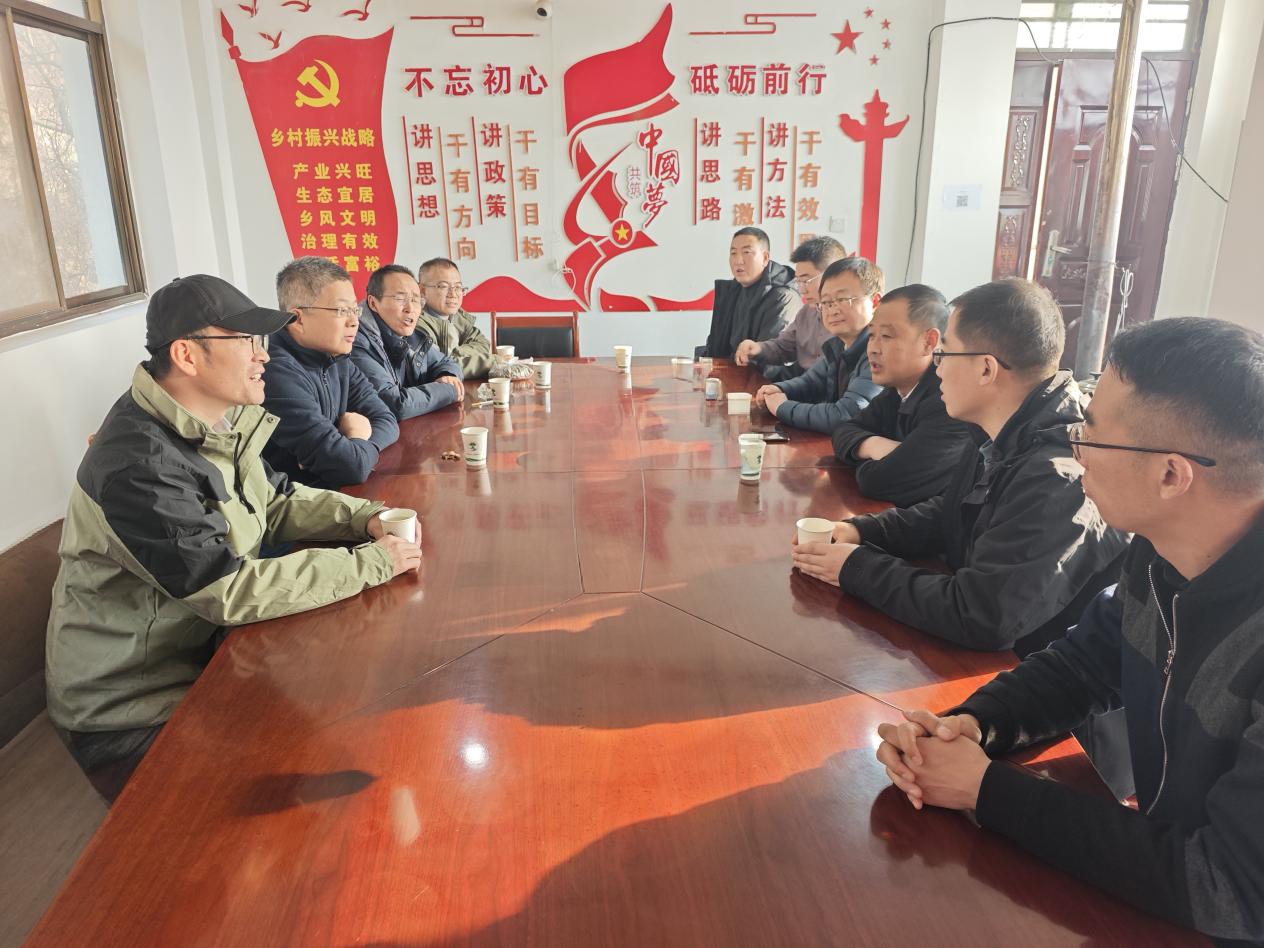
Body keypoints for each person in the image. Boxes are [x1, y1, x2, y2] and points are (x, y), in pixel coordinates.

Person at [874, 317, 1264, 943]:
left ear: (1171, 475)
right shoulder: (1162, 552)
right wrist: (973, 724)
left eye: (1090, 431)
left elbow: (1229, 887)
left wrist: (985, 790)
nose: (1073, 444)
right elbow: (1084, 665)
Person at [44, 274, 422, 803]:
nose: (262, 355)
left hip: (208, 655)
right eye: (245, 341)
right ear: (187, 355)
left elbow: (276, 500)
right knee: (315, 779)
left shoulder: (219, 421)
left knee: (358, 717)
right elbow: (227, 589)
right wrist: (373, 562)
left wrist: (367, 518)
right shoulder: (139, 462)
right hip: (131, 708)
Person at [791, 278, 1128, 656]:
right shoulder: (997, 430)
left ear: (986, 369)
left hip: (1020, 672)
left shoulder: (1060, 477)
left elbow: (981, 614)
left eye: (944, 354)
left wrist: (857, 568)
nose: (936, 370)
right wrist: (861, 530)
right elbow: (952, 512)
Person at [831, 283, 975, 506]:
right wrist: (874, 445)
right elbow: (843, 431)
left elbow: (878, 482)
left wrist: (864, 459)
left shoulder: (949, 403)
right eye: (871, 335)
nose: (873, 348)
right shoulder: (897, 390)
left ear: (929, 342)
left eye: (886, 336)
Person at [263, 257, 399, 489]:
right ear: (298, 319)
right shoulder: (273, 370)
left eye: (354, 310)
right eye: (342, 310)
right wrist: (357, 436)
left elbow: (387, 420)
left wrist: (355, 447)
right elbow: (350, 467)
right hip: (293, 503)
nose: (354, 321)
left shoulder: (336, 357)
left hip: (333, 494)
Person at [754, 257, 884, 434]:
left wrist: (782, 407)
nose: (833, 310)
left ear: (875, 302)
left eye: (843, 299)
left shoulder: (879, 352)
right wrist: (779, 389)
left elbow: (845, 415)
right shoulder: (838, 345)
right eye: (826, 302)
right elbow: (810, 382)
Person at [351, 264, 465, 420]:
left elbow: (446, 362)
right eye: (400, 299)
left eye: (416, 300)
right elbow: (394, 404)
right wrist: (450, 390)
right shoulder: (356, 341)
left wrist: (447, 375)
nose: (410, 308)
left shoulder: (406, 334)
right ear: (373, 303)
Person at [734, 236, 844, 382]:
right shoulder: (807, 312)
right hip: (803, 386)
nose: (802, 290)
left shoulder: (846, 319)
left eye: (806, 281)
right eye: (799, 282)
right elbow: (785, 346)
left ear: (832, 275)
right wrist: (758, 348)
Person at [700, 227, 798, 360]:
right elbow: (715, 346)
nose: (738, 261)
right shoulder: (731, 291)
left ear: (765, 258)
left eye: (746, 252)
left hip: (757, 372)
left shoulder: (783, 297)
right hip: (729, 369)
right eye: (733, 253)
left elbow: (770, 359)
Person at [415, 257, 496, 379]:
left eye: (457, 287)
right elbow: (438, 367)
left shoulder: (458, 318)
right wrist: (494, 361)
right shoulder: (416, 324)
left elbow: (483, 344)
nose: (453, 294)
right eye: (443, 286)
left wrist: (456, 353)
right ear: (422, 290)